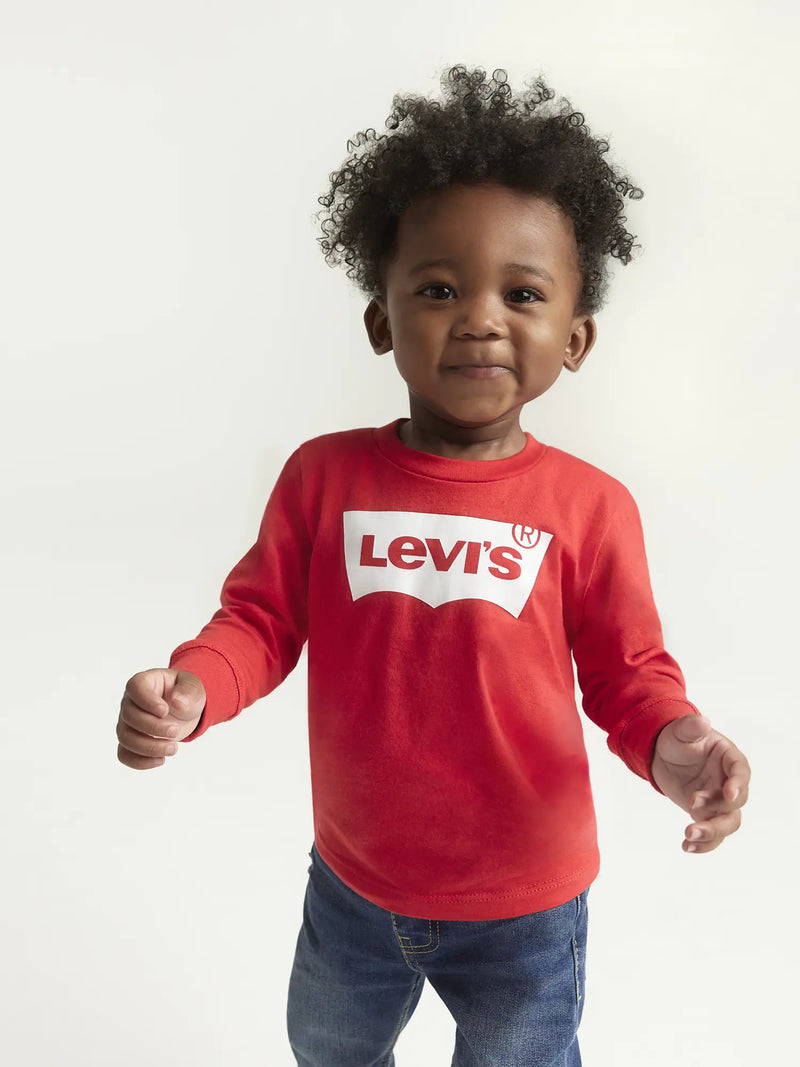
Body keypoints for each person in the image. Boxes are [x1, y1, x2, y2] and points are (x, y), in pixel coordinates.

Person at [116, 65, 751, 1066]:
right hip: (354, 884)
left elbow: (627, 674)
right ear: (382, 319)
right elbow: (261, 621)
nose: (480, 317)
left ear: (574, 338)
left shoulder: (590, 507)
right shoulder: (324, 477)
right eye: (439, 288)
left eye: (522, 293)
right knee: (328, 1048)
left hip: (526, 901)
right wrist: (194, 688)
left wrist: (673, 743)